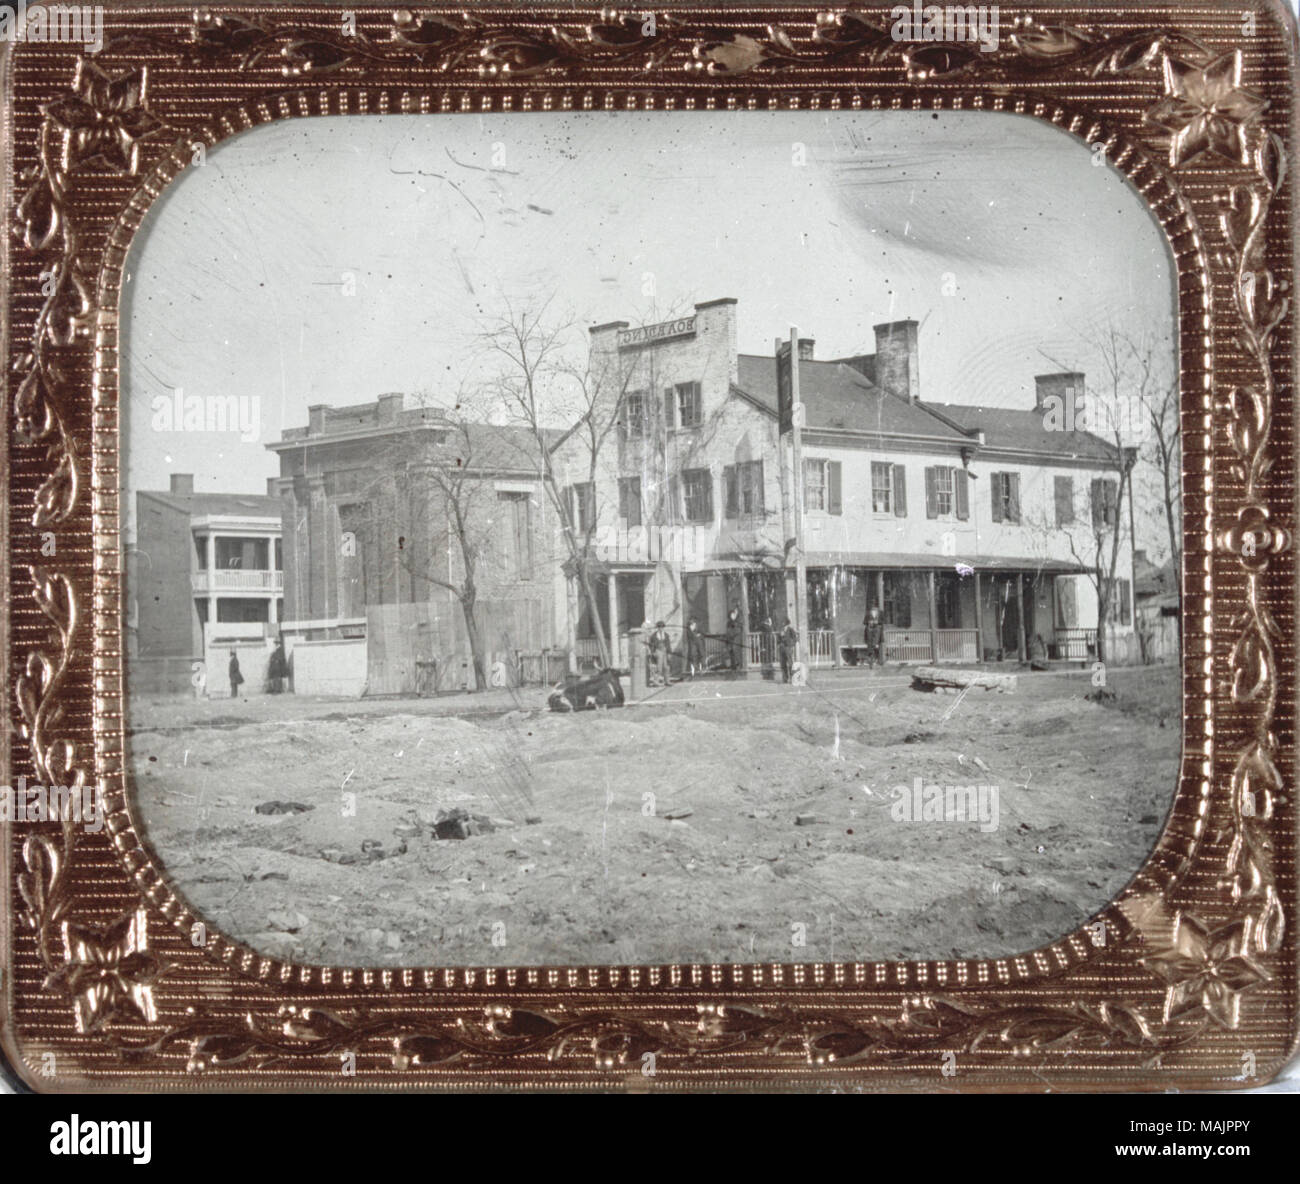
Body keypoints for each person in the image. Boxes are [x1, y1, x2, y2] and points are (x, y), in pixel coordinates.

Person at [647, 620, 672, 687]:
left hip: (665, 651)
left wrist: (669, 653)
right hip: (658, 651)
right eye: (659, 627)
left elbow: (668, 644)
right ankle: (656, 681)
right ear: (657, 628)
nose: (661, 628)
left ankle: (667, 681)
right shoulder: (654, 636)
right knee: (659, 667)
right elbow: (651, 645)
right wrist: (653, 652)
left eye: (662, 627)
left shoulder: (666, 635)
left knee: (666, 667)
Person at [778, 618, 799, 684]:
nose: (782, 624)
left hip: (788, 648)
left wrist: (791, 645)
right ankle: (785, 679)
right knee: (783, 664)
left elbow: (795, 638)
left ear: (786, 623)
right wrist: (779, 643)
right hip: (782, 648)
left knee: (790, 664)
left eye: (783, 622)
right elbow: (778, 639)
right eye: (782, 622)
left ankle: (793, 678)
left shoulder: (790, 629)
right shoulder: (781, 630)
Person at [724, 604, 743, 672]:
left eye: (734, 615)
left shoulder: (737, 623)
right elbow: (728, 631)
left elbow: (737, 631)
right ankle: (733, 667)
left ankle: (738, 666)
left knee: (736, 652)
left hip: (736, 640)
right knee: (731, 652)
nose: (733, 616)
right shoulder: (729, 623)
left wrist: (732, 634)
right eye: (732, 615)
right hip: (730, 640)